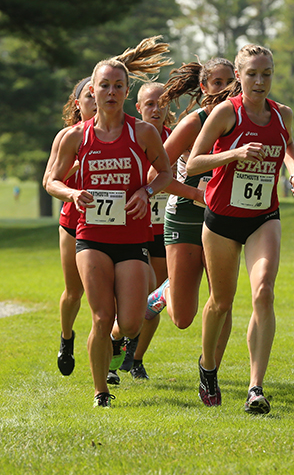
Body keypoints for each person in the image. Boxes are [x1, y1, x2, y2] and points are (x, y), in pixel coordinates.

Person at [47, 36, 173, 408]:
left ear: (127, 91)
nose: (111, 92)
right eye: (104, 85)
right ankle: (101, 391)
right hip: (91, 237)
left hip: (133, 238)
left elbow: (165, 172)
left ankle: (118, 352)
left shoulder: (143, 133)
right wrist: (71, 195)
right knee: (101, 316)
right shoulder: (75, 136)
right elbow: (50, 180)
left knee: (131, 322)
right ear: (92, 90)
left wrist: (146, 193)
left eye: (119, 86)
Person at [187, 44, 294, 412]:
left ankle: (256, 388)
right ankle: (208, 368)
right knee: (221, 303)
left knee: (264, 293)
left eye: (266, 74)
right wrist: (233, 154)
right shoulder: (226, 113)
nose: (260, 81)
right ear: (239, 77)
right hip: (222, 221)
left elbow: (287, 146)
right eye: (252, 74)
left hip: (262, 217)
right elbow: (193, 164)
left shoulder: (282, 114)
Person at [144, 58, 235, 370]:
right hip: (185, 215)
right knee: (182, 318)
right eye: (217, 82)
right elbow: (156, 177)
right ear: (204, 86)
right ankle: (165, 291)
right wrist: (198, 193)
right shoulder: (193, 123)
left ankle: (209, 373)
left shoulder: (241, 120)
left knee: (222, 301)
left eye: (230, 81)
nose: (225, 89)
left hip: (223, 219)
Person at [108, 82, 176, 383]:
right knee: (132, 299)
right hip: (134, 230)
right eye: (150, 103)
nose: (156, 108)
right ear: (139, 107)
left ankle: (136, 358)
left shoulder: (175, 139)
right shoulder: (129, 137)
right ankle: (115, 348)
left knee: (155, 300)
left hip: (163, 230)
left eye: (162, 103)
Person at [43, 77, 96, 376]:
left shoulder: (119, 134)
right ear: (77, 104)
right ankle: (66, 337)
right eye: (87, 96)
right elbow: (48, 180)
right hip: (73, 222)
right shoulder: (67, 136)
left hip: (109, 223)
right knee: (74, 292)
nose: (94, 100)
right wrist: (73, 172)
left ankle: (110, 350)